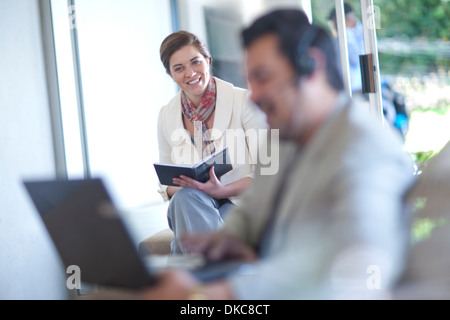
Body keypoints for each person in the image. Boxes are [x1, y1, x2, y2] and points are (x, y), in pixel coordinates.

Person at [140, 9, 415, 299]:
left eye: (263, 77)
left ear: (312, 65)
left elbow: (350, 264)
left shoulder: (365, 150)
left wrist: (217, 293)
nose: (254, 95)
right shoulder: (285, 140)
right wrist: (219, 247)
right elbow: (250, 213)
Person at [157, 31, 267, 255]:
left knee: (189, 236)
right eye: (179, 68)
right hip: (190, 204)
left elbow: (271, 172)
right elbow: (164, 184)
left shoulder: (247, 101)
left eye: (195, 62)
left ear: (208, 61)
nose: (190, 73)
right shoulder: (166, 115)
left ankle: (192, 273)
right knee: (186, 198)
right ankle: (213, 274)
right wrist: (194, 186)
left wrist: (221, 190)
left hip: (240, 205)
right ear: (170, 75)